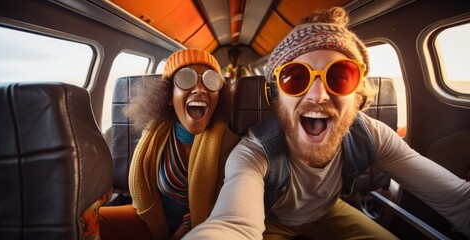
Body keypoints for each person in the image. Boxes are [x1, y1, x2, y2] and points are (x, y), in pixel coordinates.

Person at [183, 7, 470, 239]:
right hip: (272, 221)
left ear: (358, 97)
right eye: (295, 78)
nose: (318, 96)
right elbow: (233, 226)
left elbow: (458, 200)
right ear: (276, 98)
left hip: (329, 212)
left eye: (339, 77)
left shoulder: (372, 135)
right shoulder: (254, 152)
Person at [99, 48, 239, 240]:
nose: (200, 89)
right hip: (151, 219)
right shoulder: (156, 134)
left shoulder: (229, 145)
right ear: (169, 96)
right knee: (87, 221)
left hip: (202, 228)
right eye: (186, 79)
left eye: (210, 80)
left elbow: (216, 210)